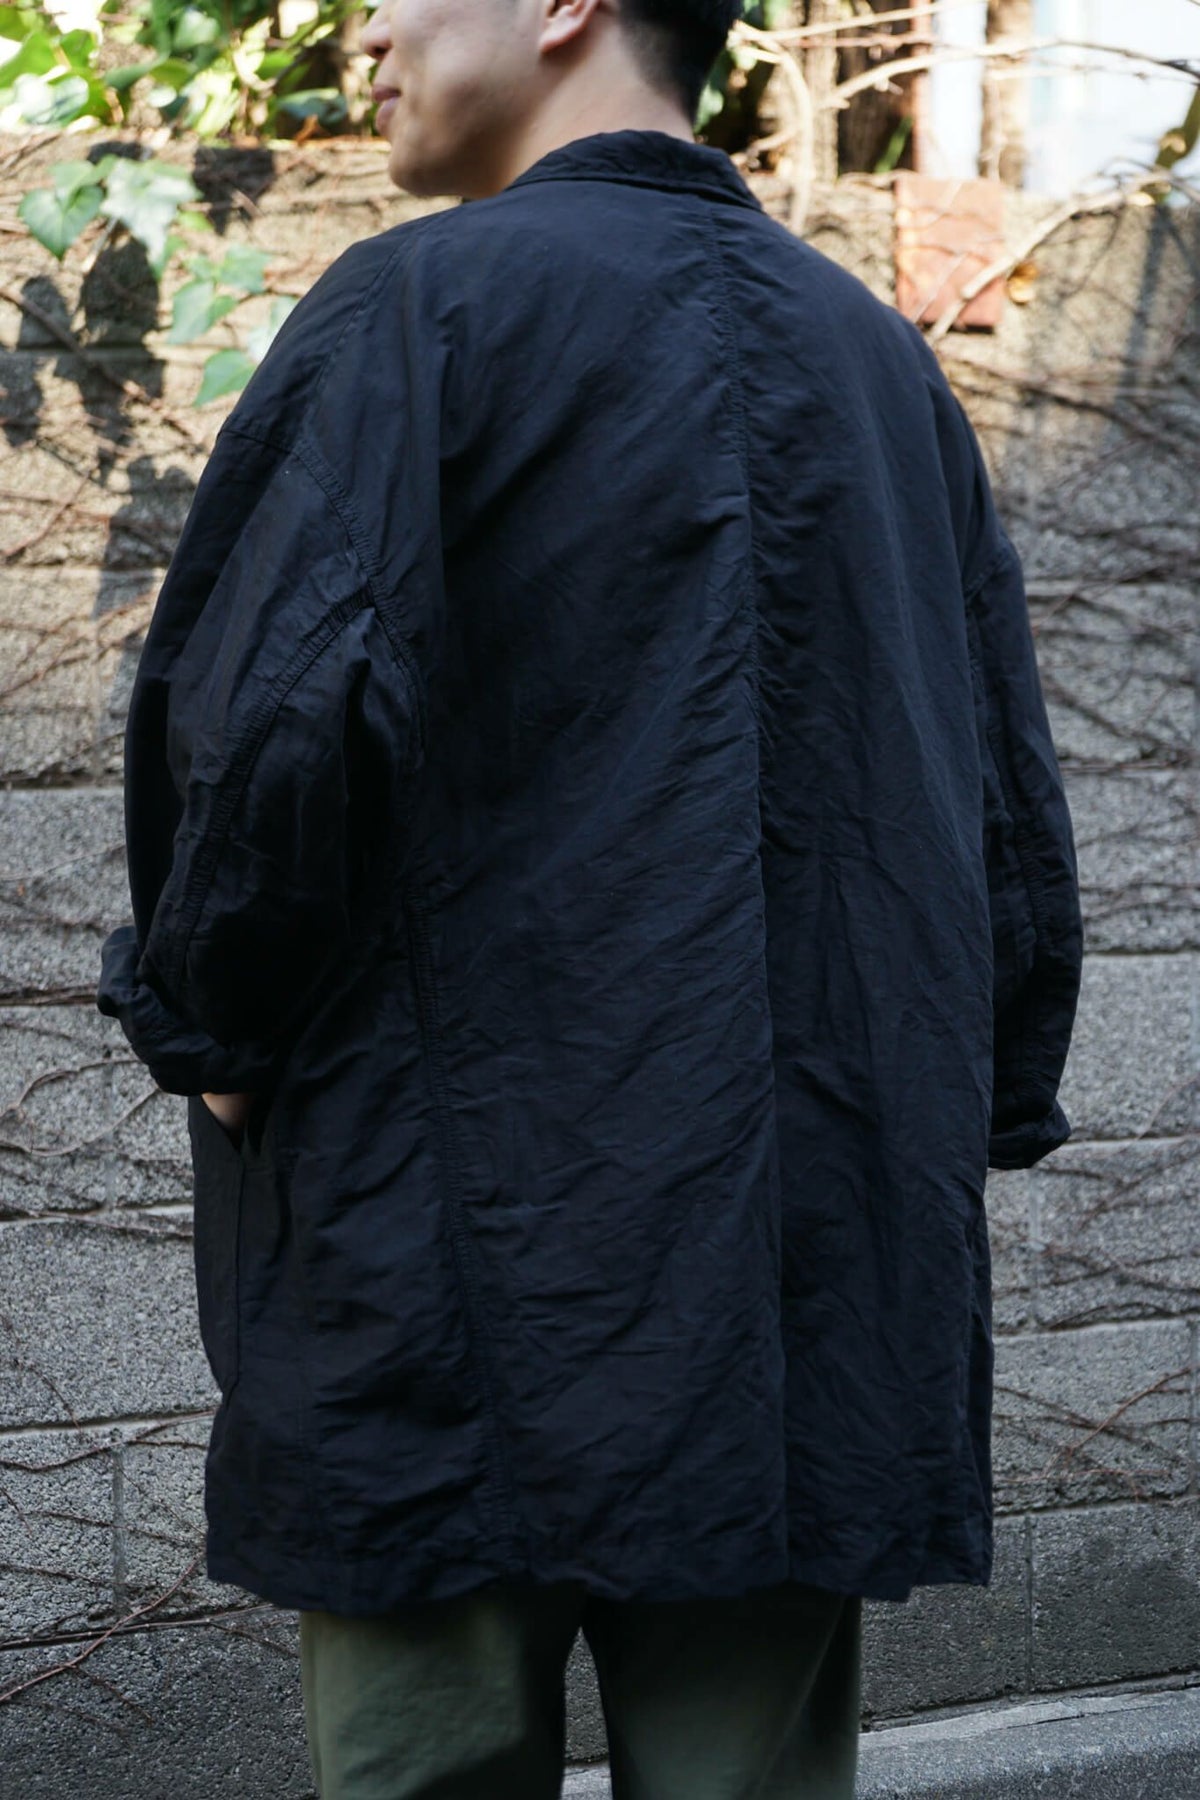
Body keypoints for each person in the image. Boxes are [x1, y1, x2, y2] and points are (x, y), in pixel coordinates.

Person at [95, 0, 1084, 1794]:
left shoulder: (415, 312)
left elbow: (271, 724)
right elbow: (1005, 806)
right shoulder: (879, 360)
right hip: (797, 1282)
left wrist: (213, 1024)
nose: (363, 29)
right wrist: (992, 1085)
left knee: (428, 1764)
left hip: (443, 1272)